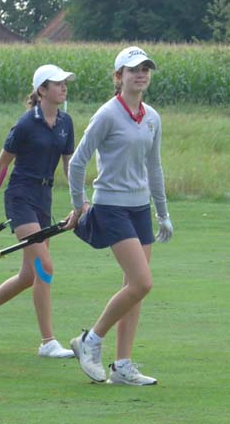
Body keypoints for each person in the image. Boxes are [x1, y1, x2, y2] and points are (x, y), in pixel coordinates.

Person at [65, 46, 173, 386]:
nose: (140, 74)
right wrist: (80, 204)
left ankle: (123, 365)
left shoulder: (152, 117)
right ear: (118, 77)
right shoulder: (108, 114)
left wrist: (163, 212)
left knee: (134, 288)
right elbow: (77, 161)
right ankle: (91, 340)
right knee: (142, 282)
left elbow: (154, 167)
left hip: (140, 208)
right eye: (132, 70)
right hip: (111, 206)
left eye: (145, 69)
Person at [0, 64, 77, 357]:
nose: (64, 87)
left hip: (43, 198)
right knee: (45, 267)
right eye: (57, 83)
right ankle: (48, 341)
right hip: (21, 198)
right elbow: (2, 163)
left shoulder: (66, 123)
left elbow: (69, 165)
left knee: (30, 275)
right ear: (41, 91)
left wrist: (81, 201)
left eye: (65, 83)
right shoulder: (26, 124)